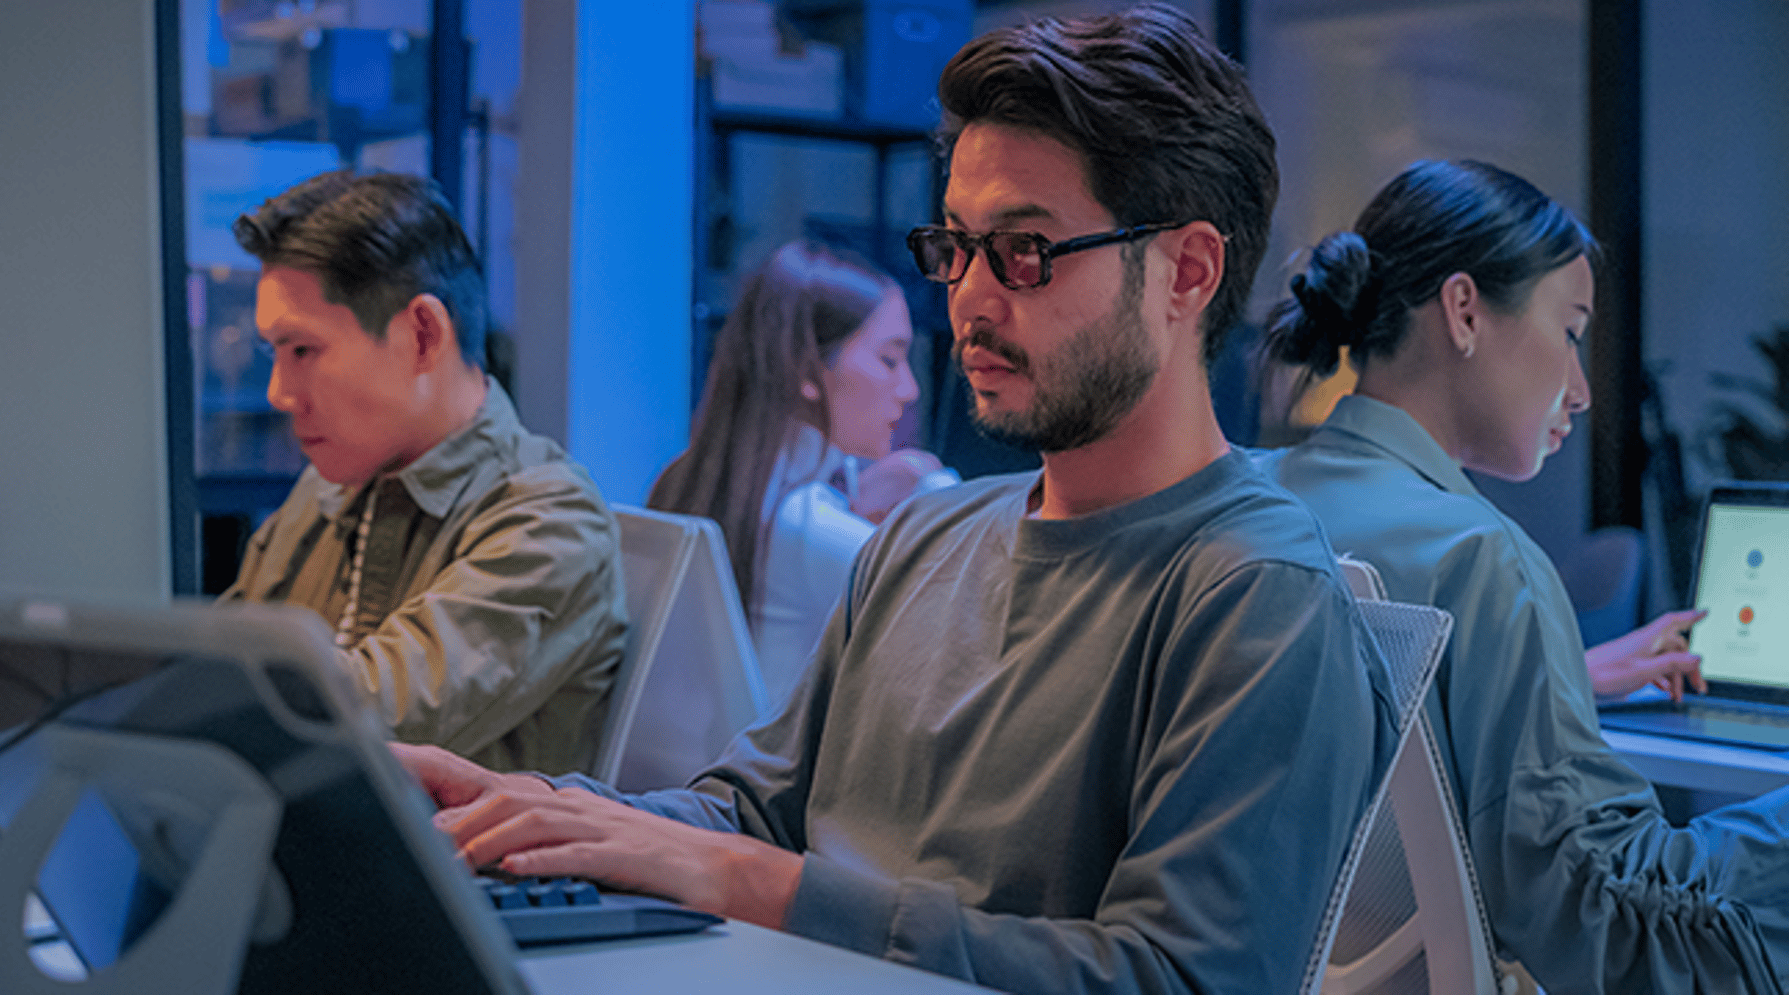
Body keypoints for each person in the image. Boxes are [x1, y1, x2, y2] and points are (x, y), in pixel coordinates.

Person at [398, 7, 1395, 993]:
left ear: (1188, 270)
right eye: (954, 246)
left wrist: (763, 884)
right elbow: (754, 813)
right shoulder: (927, 531)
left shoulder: (1258, 594)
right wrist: (540, 810)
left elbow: (1176, 978)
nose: (966, 295)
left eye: (1024, 250)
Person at [1263, 158, 1789, 993]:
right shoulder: (1483, 559)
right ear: (1465, 311)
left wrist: (1558, 676)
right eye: (1572, 329)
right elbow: (1605, 914)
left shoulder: (1251, 504)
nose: (1580, 390)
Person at [222, 170, 626, 775]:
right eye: (273, 353)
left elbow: (352, 722)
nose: (280, 392)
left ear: (421, 335)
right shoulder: (328, 486)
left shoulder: (549, 518)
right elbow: (214, 668)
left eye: (303, 350)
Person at [648, 240, 955, 698]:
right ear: (807, 371)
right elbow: (972, 620)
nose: (908, 388)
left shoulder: (685, 478)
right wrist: (933, 489)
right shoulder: (807, 526)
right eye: (889, 360)